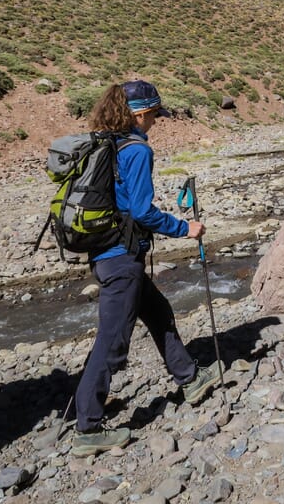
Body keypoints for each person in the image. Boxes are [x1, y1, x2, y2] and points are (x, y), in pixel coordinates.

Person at [71, 80, 220, 458]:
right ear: (139, 114)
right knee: (112, 342)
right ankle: (87, 428)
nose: (155, 121)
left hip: (109, 252)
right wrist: (185, 228)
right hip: (121, 258)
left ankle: (190, 378)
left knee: (158, 311)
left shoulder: (107, 142)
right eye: (153, 114)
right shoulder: (136, 150)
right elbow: (142, 212)